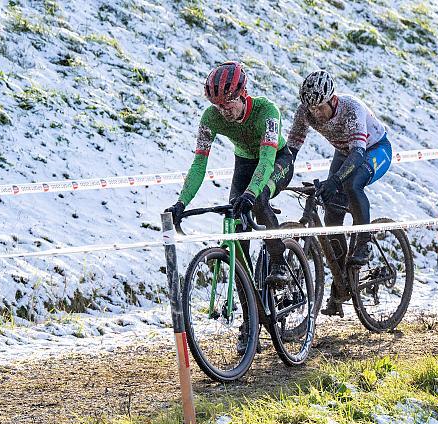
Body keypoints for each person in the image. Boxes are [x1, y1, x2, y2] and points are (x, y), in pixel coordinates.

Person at [165, 61, 295, 287]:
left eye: (228, 104)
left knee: (259, 198)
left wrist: (252, 193)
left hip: (277, 159)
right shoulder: (210, 118)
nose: (223, 112)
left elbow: (266, 161)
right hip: (244, 162)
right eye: (218, 106)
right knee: (236, 222)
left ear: (242, 95)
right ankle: (251, 310)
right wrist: (181, 203)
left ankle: (279, 262)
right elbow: (199, 164)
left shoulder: (268, 112)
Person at [287, 70, 393, 315]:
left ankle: (364, 242)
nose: (316, 114)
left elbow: (357, 155)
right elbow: (292, 146)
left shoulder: (351, 108)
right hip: (345, 152)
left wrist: (334, 181)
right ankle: (342, 283)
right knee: (332, 217)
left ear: (333, 100)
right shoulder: (305, 111)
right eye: (310, 109)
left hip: (374, 149)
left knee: (351, 184)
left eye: (320, 108)